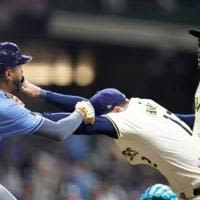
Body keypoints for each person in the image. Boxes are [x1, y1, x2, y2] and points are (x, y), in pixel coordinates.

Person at [0, 42, 95, 200]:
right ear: (8, 73)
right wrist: (81, 111)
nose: (22, 70)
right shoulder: (7, 108)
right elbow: (58, 131)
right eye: (18, 66)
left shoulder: (6, 104)